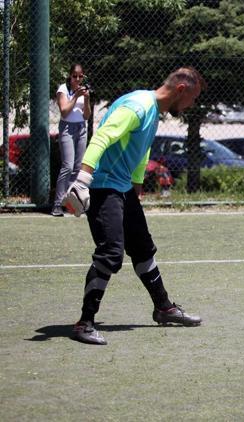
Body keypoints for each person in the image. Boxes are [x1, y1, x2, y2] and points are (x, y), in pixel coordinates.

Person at [62, 67, 206, 345]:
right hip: (103, 185)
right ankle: (84, 323)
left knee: (142, 248)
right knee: (111, 254)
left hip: (122, 187)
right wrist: (82, 179)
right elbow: (102, 136)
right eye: (193, 98)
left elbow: (141, 149)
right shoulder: (138, 105)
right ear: (181, 90)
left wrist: (136, 185)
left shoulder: (153, 111)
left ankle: (164, 308)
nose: (192, 105)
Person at [52, 63, 92, 216]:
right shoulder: (63, 89)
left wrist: (86, 99)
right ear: (70, 76)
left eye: (80, 76)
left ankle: (70, 204)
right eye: (74, 76)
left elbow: (86, 116)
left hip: (81, 128)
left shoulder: (84, 91)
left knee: (77, 168)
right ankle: (57, 204)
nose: (77, 79)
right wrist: (76, 95)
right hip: (68, 128)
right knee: (67, 166)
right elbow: (64, 112)